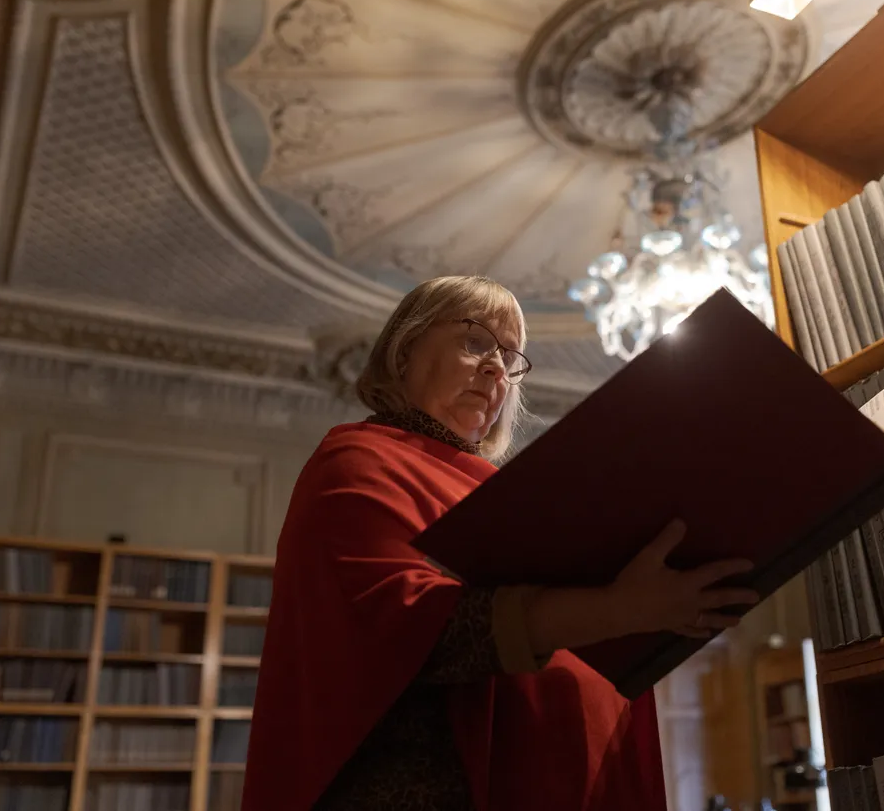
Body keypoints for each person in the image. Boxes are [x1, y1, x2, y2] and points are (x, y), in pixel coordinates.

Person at [242, 276, 759, 811]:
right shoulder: (356, 461)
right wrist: (618, 609)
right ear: (403, 353)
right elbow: (418, 628)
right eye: (474, 341)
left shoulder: (499, 493)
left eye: (510, 359)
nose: (497, 368)